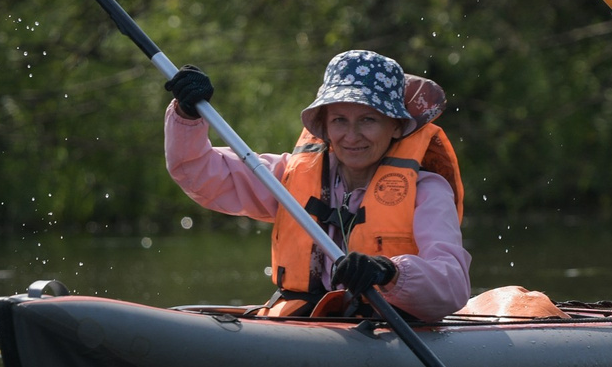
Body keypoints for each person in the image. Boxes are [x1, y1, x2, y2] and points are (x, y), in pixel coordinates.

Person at [160, 49, 473, 321]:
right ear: (323, 125)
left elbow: (453, 285)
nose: (351, 136)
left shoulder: (427, 191)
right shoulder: (288, 177)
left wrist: (388, 272)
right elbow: (198, 172)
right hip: (307, 321)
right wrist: (188, 115)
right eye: (339, 120)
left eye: (368, 120)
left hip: (391, 326)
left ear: (395, 127)